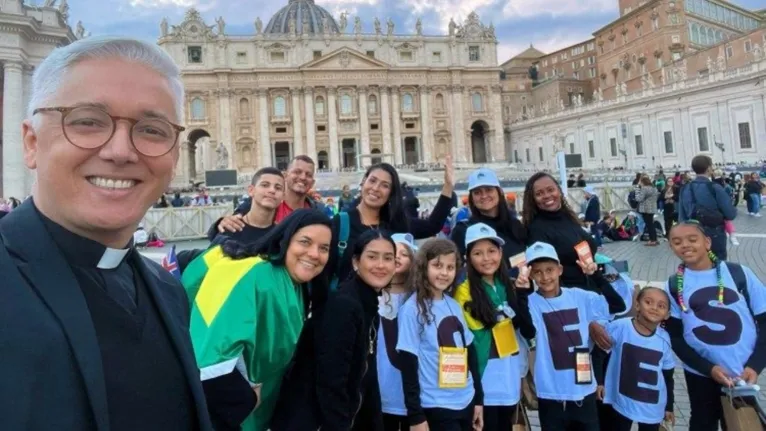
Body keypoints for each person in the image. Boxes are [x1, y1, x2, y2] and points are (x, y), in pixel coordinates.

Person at [0, 36, 211, 429]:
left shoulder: (167, 289)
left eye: (151, 129)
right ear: (31, 143)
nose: (120, 151)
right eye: (87, 121)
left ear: (175, 154)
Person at [186, 209, 332, 431]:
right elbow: (213, 351)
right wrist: (246, 399)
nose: (314, 254)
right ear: (285, 239)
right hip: (231, 414)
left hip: (258, 415)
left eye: (324, 248)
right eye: (305, 242)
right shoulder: (254, 275)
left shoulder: (296, 284)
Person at [662, 221, 766, 431]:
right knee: (702, 422)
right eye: (677, 241)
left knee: (742, 424)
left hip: (741, 371)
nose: (685, 245)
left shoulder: (739, 273)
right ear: (671, 247)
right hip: (700, 372)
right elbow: (674, 336)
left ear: (707, 242)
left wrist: (755, 365)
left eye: (693, 239)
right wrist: (708, 368)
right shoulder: (673, 285)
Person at [523, 242, 613, 431]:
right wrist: (521, 292)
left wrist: (595, 275)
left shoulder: (580, 297)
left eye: (550, 270)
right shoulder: (530, 303)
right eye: (538, 272)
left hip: (584, 389)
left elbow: (617, 305)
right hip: (551, 392)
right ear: (530, 274)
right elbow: (527, 330)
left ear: (560, 269)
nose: (545, 277)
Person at [453, 223, 535, 431]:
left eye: (492, 251)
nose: (486, 258)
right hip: (482, 374)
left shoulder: (507, 285)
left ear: (501, 253)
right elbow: (480, 325)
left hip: (507, 370)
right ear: (468, 257)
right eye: (478, 253)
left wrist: (523, 293)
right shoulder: (463, 291)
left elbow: (525, 328)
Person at [396, 239, 484, 431]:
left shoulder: (453, 305)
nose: (444, 273)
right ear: (423, 267)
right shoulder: (412, 309)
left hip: (465, 399)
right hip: (436, 404)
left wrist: (478, 399)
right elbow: (408, 364)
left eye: (450, 267)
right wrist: (416, 416)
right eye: (437, 265)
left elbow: (470, 352)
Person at [314, 230, 397, 430]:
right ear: (355, 262)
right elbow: (331, 381)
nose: (380, 265)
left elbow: (367, 375)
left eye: (388, 258)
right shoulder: (344, 305)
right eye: (372, 257)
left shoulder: (367, 303)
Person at [326, 159, 455, 288]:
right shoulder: (341, 222)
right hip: (348, 303)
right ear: (363, 182)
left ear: (391, 193)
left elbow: (432, 226)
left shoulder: (395, 223)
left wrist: (448, 186)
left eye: (385, 185)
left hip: (386, 304)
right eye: (372, 180)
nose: (375, 188)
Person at [594, 287, 676, 431]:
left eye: (661, 306)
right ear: (637, 305)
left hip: (652, 405)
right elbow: (599, 353)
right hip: (622, 400)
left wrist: (669, 406)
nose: (654, 308)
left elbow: (668, 376)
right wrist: (599, 382)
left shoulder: (665, 339)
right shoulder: (620, 327)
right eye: (648, 302)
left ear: (667, 314)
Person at [177, 167, 284, 273]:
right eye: (265, 185)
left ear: (283, 197)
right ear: (251, 190)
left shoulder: (281, 237)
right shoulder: (230, 228)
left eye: (278, 188)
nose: (272, 190)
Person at [213, 155, 325, 236]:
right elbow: (229, 226)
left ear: (312, 182)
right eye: (297, 172)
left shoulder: (319, 211)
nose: (303, 177)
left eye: (308, 175)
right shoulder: (262, 202)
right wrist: (221, 223)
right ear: (285, 175)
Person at [450, 168, 527, 272]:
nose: (484, 196)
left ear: (499, 192)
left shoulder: (515, 225)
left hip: (523, 286)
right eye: (477, 192)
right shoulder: (463, 230)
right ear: (472, 198)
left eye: (489, 190)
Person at [378, 233, 418, 431]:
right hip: (379, 386)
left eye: (404, 253)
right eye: (393, 252)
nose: (397, 256)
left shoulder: (418, 298)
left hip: (412, 390)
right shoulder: (372, 294)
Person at [677, 154, 736, 260]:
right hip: (714, 234)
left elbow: (682, 217)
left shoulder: (685, 188)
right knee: (717, 266)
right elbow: (730, 214)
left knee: (697, 264)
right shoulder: (715, 188)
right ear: (709, 168)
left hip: (692, 233)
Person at [635, 175, 659, 246]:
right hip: (652, 208)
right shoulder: (654, 188)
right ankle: (655, 239)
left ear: (643, 181)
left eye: (640, 181)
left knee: (649, 225)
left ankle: (652, 240)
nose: (639, 183)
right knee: (651, 224)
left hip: (646, 209)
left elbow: (639, 199)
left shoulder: (644, 188)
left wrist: (637, 189)